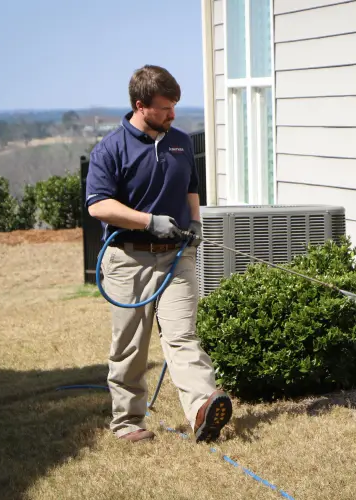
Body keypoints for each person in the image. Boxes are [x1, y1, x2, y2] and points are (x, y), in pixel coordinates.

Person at [85, 64, 232, 443]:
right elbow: (98, 206)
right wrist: (148, 221)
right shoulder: (110, 149)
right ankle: (128, 422)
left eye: (175, 106)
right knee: (131, 346)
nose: (173, 114)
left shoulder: (181, 142)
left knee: (183, 336)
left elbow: (191, 188)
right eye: (166, 108)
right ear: (141, 105)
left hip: (177, 257)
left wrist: (195, 222)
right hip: (127, 258)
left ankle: (203, 408)